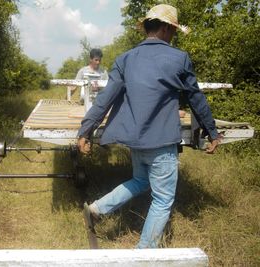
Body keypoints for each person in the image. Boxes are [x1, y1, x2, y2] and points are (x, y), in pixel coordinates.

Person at [78, 4, 223, 249]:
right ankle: (144, 254)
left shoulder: (125, 58)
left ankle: (96, 209)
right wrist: (212, 132)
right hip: (161, 143)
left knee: (140, 180)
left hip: (136, 141)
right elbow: (195, 98)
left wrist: (85, 130)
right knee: (163, 198)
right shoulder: (179, 58)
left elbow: (106, 98)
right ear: (166, 28)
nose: (174, 36)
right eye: (174, 30)